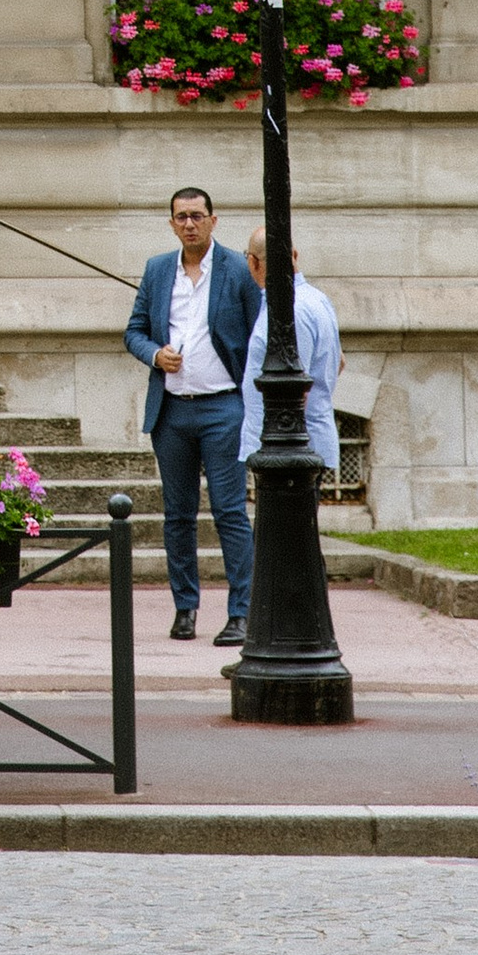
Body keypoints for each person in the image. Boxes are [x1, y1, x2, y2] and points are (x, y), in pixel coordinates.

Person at [123, 180, 258, 646]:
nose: (190, 224)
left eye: (197, 216)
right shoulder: (159, 270)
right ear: (171, 223)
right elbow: (134, 330)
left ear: (213, 221)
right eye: (181, 217)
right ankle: (186, 608)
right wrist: (154, 355)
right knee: (177, 515)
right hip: (172, 412)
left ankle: (241, 612)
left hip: (223, 407)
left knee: (229, 512)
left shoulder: (237, 270)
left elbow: (261, 330)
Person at [239, 233, 344, 475]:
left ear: (253, 262)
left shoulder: (291, 309)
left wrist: (282, 443)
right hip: (295, 445)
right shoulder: (316, 299)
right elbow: (339, 361)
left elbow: (297, 386)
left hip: (288, 450)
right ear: (295, 255)